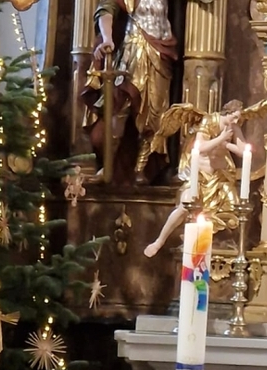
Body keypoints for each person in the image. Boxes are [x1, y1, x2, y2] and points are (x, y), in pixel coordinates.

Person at [83, 0, 178, 185]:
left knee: (154, 115)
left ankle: (141, 168)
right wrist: (107, 38)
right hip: (133, 52)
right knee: (119, 107)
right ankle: (108, 165)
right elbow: (106, 8)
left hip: (161, 55)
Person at [145, 100, 250, 255]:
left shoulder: (234, 127)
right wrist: (221, 139)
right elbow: (200, 147)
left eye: (238, 118)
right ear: (227, 113)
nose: (236, 121)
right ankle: (159, 241)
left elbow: (242, 151)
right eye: (234, 117)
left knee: (235, 208)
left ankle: (224, 246)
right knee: (185, 206)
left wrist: (227, 145)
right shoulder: (209, 121)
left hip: (219, 177)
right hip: (199, 177)